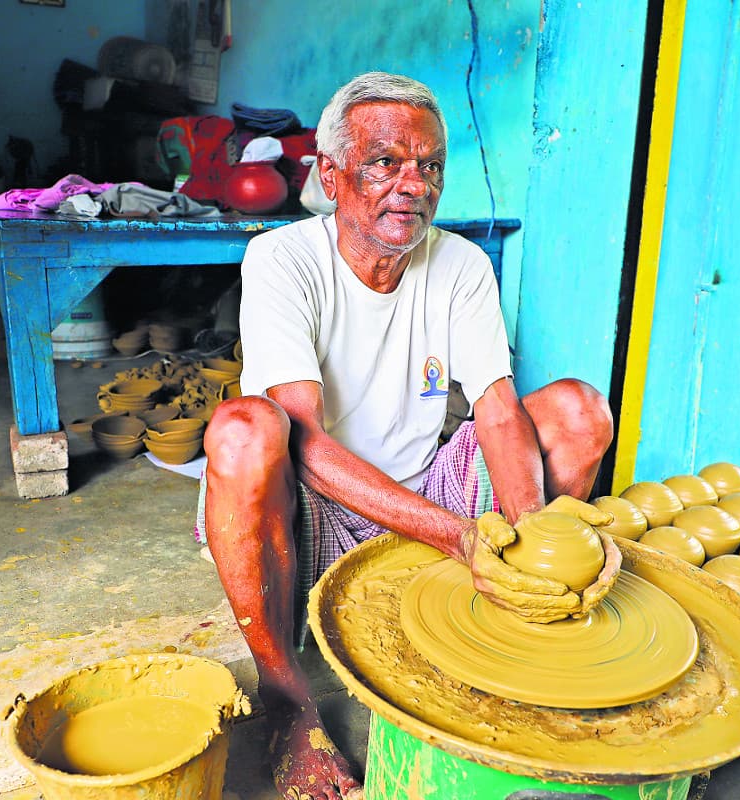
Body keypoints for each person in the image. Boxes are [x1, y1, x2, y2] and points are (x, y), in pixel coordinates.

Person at [197, 72, 620, 800]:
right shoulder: (282, 259)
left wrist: (529, 542)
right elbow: (302, 444)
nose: (412, 184)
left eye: (429, 166)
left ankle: (512, 614)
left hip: (425, 487)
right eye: (385, 162)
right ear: (331, 175)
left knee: (580, 410)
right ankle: (287, 701)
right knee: (242, 430)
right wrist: (459, 537)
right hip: (313, 505)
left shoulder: (458, 264)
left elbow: (495, 409)